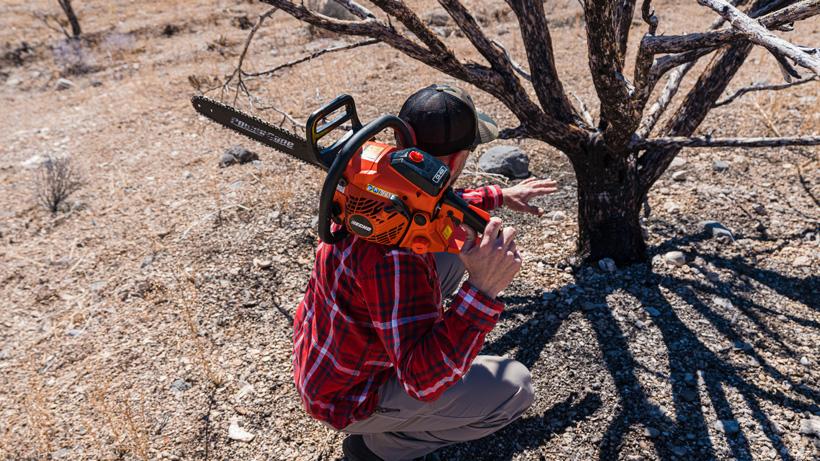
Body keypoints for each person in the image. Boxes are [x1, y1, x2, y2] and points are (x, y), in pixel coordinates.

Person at [292, 84, 559, 460]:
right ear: (453, 163)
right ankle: (380, 447)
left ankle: (402, 371)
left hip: (326, 359)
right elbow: (423, 381)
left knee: (453, 247)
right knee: (515, 388)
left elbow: (438, 203)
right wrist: (481, 292)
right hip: (349, 396)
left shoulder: (382, 189)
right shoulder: (397, 256)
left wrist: (498, 195)